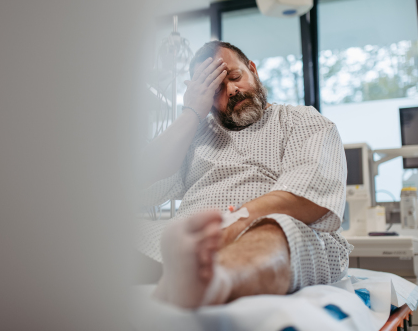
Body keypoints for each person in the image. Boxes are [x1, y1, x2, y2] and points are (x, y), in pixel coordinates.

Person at [138, 41, 352, 309]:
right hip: (190, 245)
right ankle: (185, 277)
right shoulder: (195, 136)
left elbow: (307, 197)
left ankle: (212, 284)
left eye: (235, 77)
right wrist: (190, 113)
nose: (232, 90)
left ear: (253, 70)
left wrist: (230, 225)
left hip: (274, 232)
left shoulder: (301, 120)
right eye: (215, 89)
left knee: (278, 231)